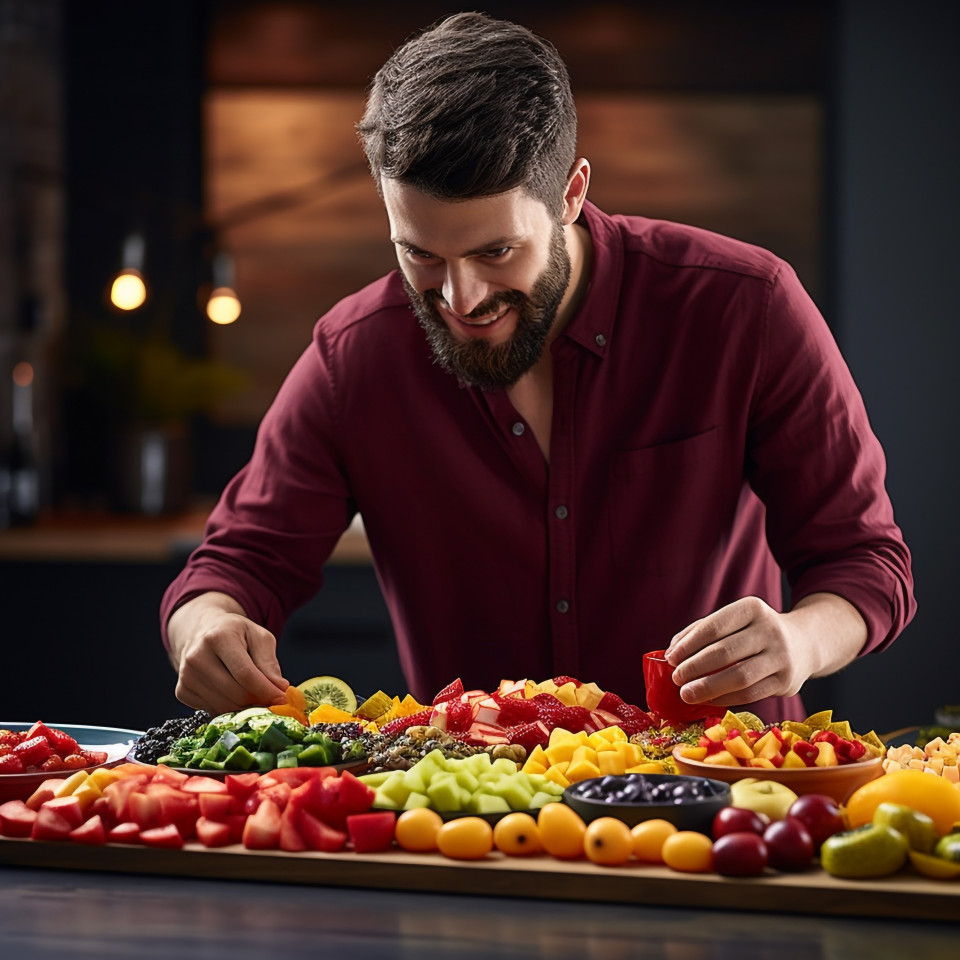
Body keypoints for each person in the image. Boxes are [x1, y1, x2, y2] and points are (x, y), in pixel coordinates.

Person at [161, 12, 915, 723]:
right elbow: (239, 563)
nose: (460, 298)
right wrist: (208, 625)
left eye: (496, 251)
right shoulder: (352, 354)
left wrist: (800, 641)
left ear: (572, 194)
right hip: (471, 802)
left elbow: (865, 562)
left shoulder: (745, 305)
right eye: (420, 254)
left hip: (719, 789)